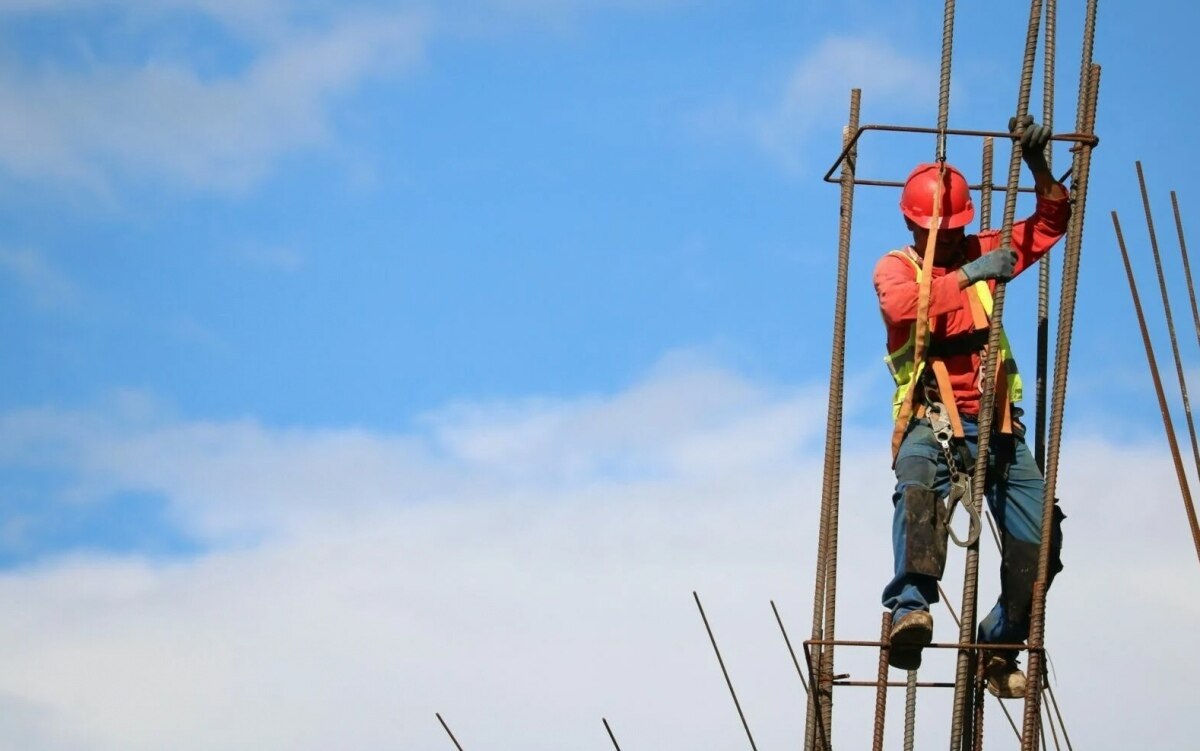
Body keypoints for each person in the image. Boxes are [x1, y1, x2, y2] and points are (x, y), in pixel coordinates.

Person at [873, 116, 1067, 698]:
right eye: (943, 231)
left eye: (958, 230)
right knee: (916, 485)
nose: (954, 239)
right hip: (932, 420)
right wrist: (970, 272)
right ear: (914, 223)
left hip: (999, 428)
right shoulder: (896, 269)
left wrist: (1038, 169)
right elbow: (905, 308)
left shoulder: (982, 250)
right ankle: (911, 607)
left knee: (1041, 550)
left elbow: (1050, 223)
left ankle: (996, 645)